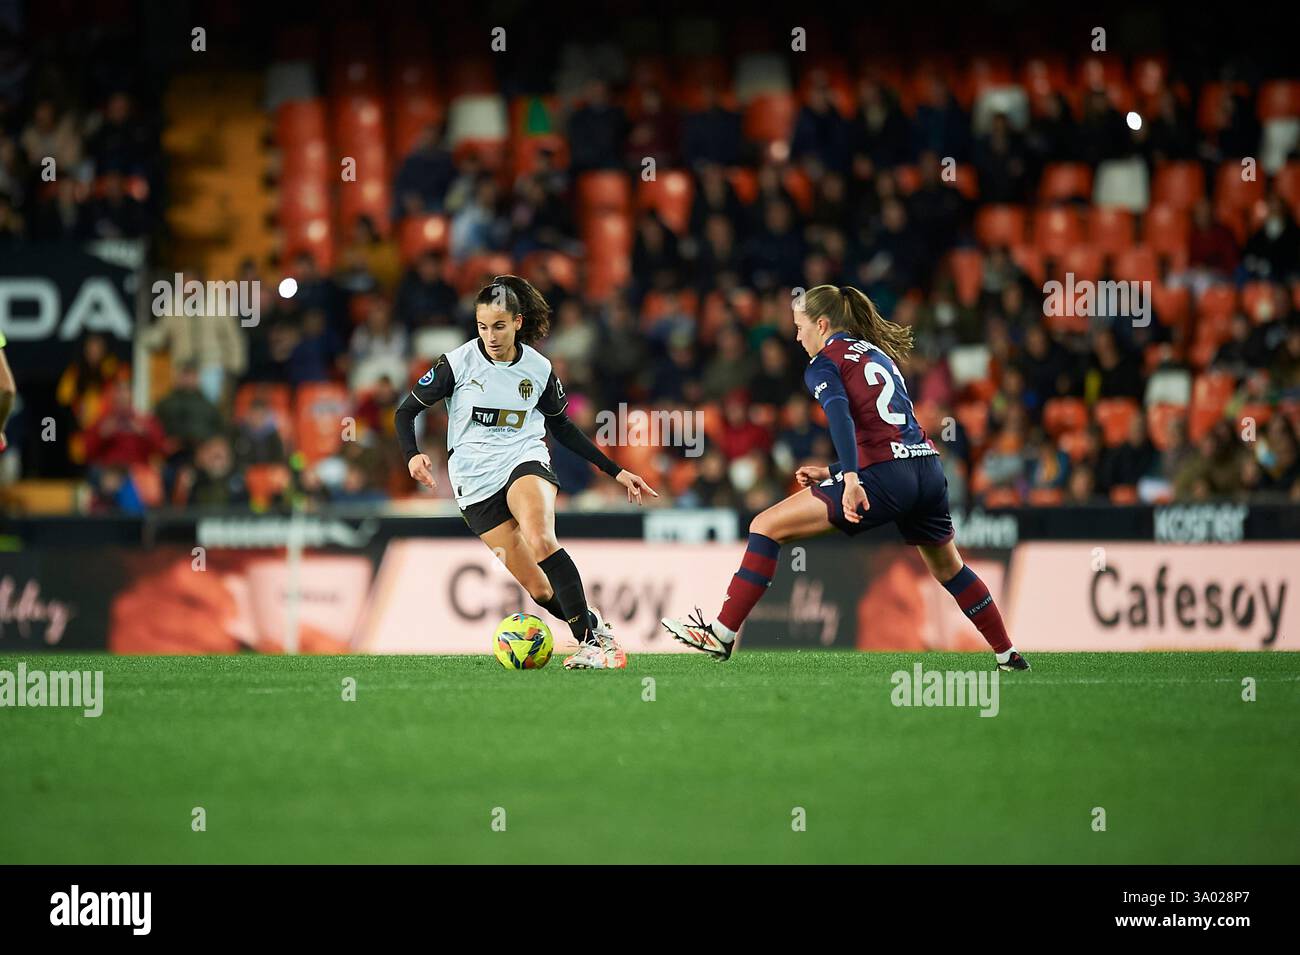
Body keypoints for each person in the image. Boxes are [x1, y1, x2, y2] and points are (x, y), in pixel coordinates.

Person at [661, 284, 1029, 672]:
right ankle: (1007, 654)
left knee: (765, 526)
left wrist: (851, 477)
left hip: (883, 477)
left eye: (800, 326)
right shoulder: (877, 354)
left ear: (821, 324)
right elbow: (890, 431)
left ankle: (721, 634)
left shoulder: (824, 362)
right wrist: (835, 471)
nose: (797, 336)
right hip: (926, 469)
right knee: (949, 569)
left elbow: (840, 416)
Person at [394, 275, 658, 669]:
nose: (491, 336)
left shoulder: (538, 369)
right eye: (483, 327)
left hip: (523, 459)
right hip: (474, 484)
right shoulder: (457, 363)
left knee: (540, 538)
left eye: (499, 326)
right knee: (538, 588)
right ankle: (595, 627)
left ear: (518, 322)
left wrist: (615, 471)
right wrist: (413, 455)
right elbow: (405, 411)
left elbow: (563, 427)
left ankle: (590, 645)